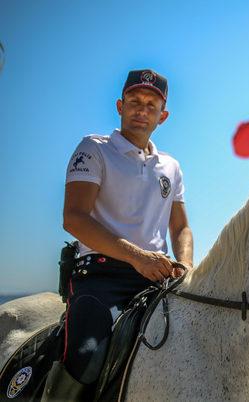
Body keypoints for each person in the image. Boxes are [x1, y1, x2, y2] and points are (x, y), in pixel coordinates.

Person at [42, 69, 193, 401]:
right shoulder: (93, 149)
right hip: (99, 277)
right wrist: (138, 257)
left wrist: (185, 265)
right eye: (134, 102)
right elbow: (74, 218)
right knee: (85, 355)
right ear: (120, 106)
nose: (142, 110)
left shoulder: (171, 166)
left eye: (151, 105)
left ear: (162, 116)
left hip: (157, 279)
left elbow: (180, 227)